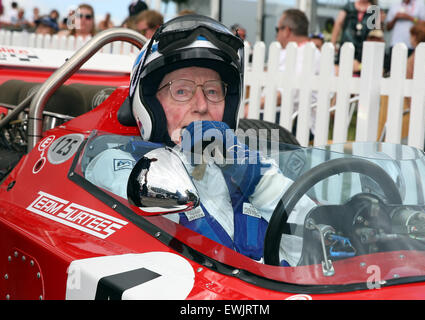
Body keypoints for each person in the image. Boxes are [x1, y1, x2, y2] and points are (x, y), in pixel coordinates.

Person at [85, 14, 315, 265]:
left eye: (213, 91)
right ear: (149, 105)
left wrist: (254, 177)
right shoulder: (120, 163)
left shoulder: (245, 164)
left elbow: (314, 240)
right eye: (181, 91)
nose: (202, 105)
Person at [250, 9, 321, 138]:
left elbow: (286, 93)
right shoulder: (294, 51)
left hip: (293, 121)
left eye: (278, 29)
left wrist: (252, 106)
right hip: (278, 114)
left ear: (287, 30)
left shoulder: (307, 54)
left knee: (241, 124)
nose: (276, 34)